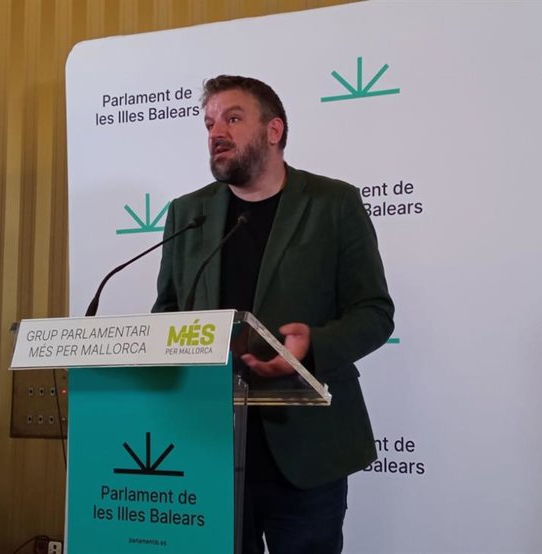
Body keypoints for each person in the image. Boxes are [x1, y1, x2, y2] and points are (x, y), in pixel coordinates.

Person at [152, 75, 394, 554]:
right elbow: (168, 313)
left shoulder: (333, 203)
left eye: (232, 118)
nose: (216, 132)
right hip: (211, 447)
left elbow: (374, 311)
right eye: (209, 123)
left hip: (307, 455)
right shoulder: (188, 213)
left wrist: (313, 346)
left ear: (274, 130)